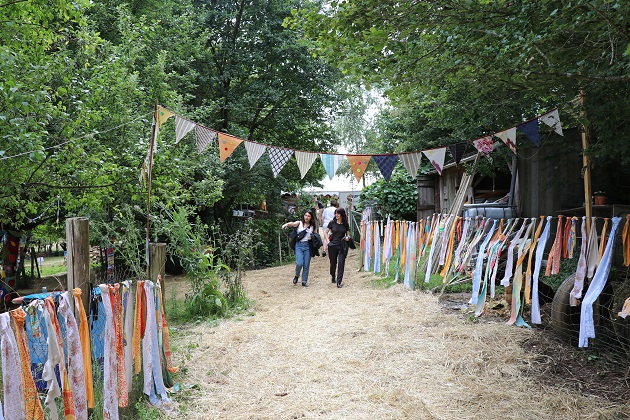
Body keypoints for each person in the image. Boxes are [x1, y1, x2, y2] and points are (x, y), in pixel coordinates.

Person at [282, 210, 318, 287]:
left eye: (308, 216)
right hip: (299, 245)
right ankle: (297, 275)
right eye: (305, 215)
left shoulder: (312, 226)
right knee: (299, 263)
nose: (306, 217)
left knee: (306, 264)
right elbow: (292, 224)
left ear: (311, 217)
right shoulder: (299, 223)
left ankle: (304, 281)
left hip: (307, 246)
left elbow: (316, 236)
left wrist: (313, 237)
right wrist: (286, 224)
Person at [323, 207, 351, 288]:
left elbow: (348, 234)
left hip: (342, 246)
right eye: (335, 213)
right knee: (333, 263)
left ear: (342, 215)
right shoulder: (332, 223)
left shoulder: (345, 224)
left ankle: (339, 282)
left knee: (341, 263)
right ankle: (333, 276)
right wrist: (328, 241)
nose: (336, 215)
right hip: (333, 246)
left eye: (338, 213)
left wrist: (347, 238)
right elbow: (326, 232)